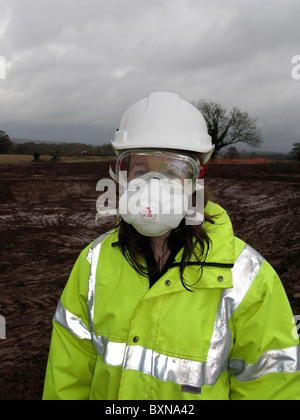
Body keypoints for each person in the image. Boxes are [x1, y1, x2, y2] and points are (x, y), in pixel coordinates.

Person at [43, 92, 300, 400]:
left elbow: (270, 385)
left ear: (197, 178)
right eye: (140, 170)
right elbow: (67, 377)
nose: (154, 185)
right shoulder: (94, 263)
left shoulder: (247, 279)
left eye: (173, 170)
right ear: (121, 174)